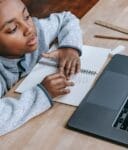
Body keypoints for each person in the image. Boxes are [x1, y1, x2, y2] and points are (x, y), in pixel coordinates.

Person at [0, 0, 82, 136]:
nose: (29, 29)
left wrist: (70, 47)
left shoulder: (38, 33)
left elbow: (67, 18)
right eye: (13, 29)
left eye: (26, 16)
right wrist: (42, 93)